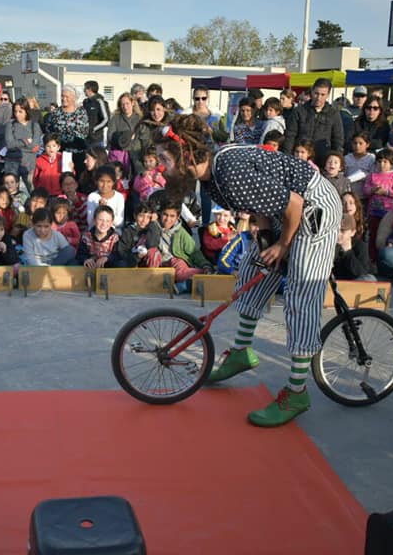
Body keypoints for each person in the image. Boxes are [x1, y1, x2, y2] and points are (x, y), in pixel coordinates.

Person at [156, 113, 342, 427]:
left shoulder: (227, 172)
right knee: (252, 272)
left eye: (165, 159)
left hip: (314, 207)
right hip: (289, 211)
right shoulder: (212, 178)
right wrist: (268, 239)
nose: (162, 168)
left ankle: (296, 392)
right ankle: (241, 352)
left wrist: (283, 246)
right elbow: (263, 203)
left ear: (185, 154)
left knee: (300, 296)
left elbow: (294, 204)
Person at [283, 77, 343, 167]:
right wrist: (287, 158)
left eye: (323, 94)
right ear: (312, 91)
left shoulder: (333, 114)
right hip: (300, 159)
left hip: (323, 161)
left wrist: (336, 161)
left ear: (328, 95)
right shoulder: (299, 111)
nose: (319, 97)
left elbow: (338, 140)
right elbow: (290, 136)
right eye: (316, 93)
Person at [155, 201, 212, 287]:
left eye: (172, 216)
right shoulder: (154, 227)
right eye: (165, 215)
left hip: (176, 262)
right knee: (152, 254)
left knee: (179, 271)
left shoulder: (181, 233)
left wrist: (205, 265)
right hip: (159, 262)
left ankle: (204, 274)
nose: (167, 219)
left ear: (177, 217)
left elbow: (194, 252)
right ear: (160, 214)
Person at [363, 148, 393, 256]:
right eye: (379, 161)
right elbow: (365, 190)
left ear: (391, 163)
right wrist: (372, 190)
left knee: (386, 234)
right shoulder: (372, 176)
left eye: (385, 161)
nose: (382, 164)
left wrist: (386, 192)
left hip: (389, 212)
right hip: (373, 211)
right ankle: (372, 258)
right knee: (373, 233)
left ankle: (386, 255)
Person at [45, 85, 89, 169]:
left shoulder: (81, 112)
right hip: (60, 153)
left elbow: (84, 132)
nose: (64, 99)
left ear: (74, 98)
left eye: (67, 96)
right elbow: (49, 131)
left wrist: (69, 140)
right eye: (62, 96)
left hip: (78, 153)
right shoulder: (55, 113)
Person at [5, 100, 42, 189]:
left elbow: (35, 146)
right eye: (15, 111)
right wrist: (24, 141)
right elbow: (9, 145)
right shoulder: (10, 125)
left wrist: (17, 145)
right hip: (12, 164)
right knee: (12, 192)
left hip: (29, 164)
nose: (17, 114)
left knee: (32, 190)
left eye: (20, 111)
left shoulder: (34, 125)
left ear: (26, 111)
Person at [114, 203, 162, 268]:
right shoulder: (128, 231)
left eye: (148, 217)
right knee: (121, 263)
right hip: (132, 260)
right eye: (141, 216)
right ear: (135, 216)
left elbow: (152, 244)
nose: (144, 220)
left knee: (154, 252)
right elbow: (122, 251)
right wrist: (136, 257)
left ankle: (152, 276)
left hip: (147, 262)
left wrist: (153, 223)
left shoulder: (153, 229)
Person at [333, 214, 377, 281]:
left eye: (342, 231)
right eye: (336, 230)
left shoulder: (360, 246)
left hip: (352, 283)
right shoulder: (327, 245)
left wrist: (348, 252)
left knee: (369, 279)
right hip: (328, 282)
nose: (338, 234)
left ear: (352, 232)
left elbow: (362, 273)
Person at [85, 165, 125, 232]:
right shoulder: (92, 197)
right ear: (96, 181)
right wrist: (99, 208)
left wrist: (107, 209)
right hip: (95, 232)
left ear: (114, 182)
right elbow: (90, 222)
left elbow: (120, 223)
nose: (105, 185)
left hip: (113, 233)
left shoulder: (119, 197)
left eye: (108, 181)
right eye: (101, 181)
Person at [106, 93, 139, 170]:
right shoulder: (115, 118)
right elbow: (110, 136)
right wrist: (125, 138)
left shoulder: (139, 118)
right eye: (122, 104)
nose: (125, 107)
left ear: (132, 103)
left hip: (135, 153)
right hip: (118, 153)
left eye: (127, 103)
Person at [345, 132, 376, 197]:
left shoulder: (371, 158)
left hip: (365, 195)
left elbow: (373, 175)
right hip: (349, 193)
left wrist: (359, 176)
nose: (357, 146)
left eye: (360, 143)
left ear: (367, 144)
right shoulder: (347, 158)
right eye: (355, 143)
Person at [82, 81, 110, 148]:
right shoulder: (85, 102)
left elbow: (106, 119)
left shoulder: (100, 102)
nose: (84, 90)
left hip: (96, 139)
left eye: (85, 88)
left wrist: (93, 129)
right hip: (86, 138)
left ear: (90, 89)